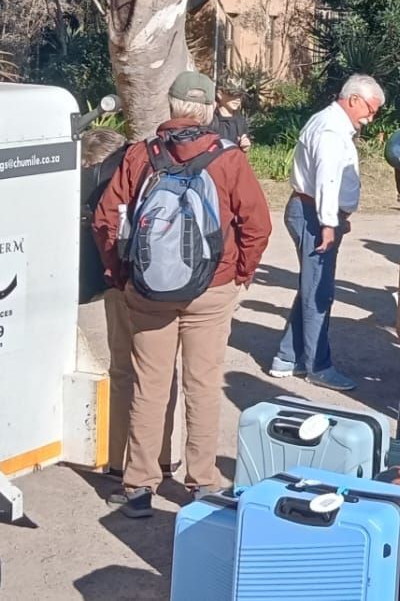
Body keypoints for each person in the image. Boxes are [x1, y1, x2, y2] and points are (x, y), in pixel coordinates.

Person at [91, 71, 271, 516]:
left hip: (148, 291)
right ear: (210, 109)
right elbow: (257, 224)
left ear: (170, 106)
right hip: (212, 288)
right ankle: (203, 482)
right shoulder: (228, 159)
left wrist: (120, 272)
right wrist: (240, 274)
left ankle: (138, 485)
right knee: (203, 385)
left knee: (149, 387)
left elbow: (105, 219)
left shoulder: (139, 154)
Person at [270, 74, 385, 391]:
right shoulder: (332, 130)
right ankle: (317, 366)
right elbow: (326, 181)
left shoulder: (332, 124)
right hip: (312, 215)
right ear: (354, 100)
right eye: (370, 110)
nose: (371, 118)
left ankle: (287, 357)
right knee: (319, 293)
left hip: (313, 213)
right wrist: (328, 224)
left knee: (312, 287)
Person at [81, 129, 179, 490]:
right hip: (169, 280)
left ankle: (120, 459)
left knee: (124, 372)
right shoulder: (153, 167)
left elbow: (103, 225)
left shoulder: (103, 180)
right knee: (162, 373)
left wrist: (111, 274)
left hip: (122, 282)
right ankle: (165, 456)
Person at [210, 78, 252, 149]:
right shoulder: (211, 120)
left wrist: (245, 144)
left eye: (240, 95)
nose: (237, 99)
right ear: (219, 94)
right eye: (233, 94)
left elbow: (244, 141)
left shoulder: (240, 121)